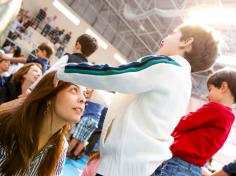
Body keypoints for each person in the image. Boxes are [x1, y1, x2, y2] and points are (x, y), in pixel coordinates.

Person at [56, 23, 220, 176]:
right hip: (138, 168)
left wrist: (63, 70)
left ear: (186, 42)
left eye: (172, 34)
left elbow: (113, 75)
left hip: (120, 165)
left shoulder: (166, 66)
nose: (164, 39)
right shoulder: (183, 81)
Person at [152, 68, 236, 176]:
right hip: (195, 168)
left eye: (210, 89)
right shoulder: (229, 117)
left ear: (223, 87)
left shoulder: (215, 109)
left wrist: (164, 124)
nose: (207, 95)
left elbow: (185, 123)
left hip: (179, 163)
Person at [0, 71, 86, 175]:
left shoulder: (61, 146)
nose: (83, 99)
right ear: (50, 97)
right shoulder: (7, 127)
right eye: (74, 90)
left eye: (84, 93)